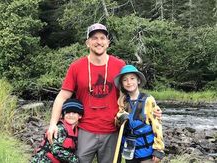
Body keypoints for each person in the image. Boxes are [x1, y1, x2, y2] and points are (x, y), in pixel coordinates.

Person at [47, 23, 162, 163]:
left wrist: (151, 108)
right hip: (84, 130)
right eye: (94, 38)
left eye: (102, 38)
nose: (99, 42)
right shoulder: (76, 67)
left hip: (113, 131)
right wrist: (53, 124)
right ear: (87, 43)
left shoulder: (119, 65)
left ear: (108, 42)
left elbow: (131, 92)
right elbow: (62, 96)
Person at [114, 65, 165, 163]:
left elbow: (157, 124)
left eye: (132, 78)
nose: (129, 82)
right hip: (130, 150)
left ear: (138, 81)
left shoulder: (148, 100)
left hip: (146, 151)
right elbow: (117, 122)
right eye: (125, 80)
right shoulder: (122, 101)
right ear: (122, 84)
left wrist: (159, 149)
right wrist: (120, 118)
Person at [31, 98, 84, 163]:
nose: (71, 115)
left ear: (80, 116)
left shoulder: (76, 130)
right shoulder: (60, 129)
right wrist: (75, 159)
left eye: (74, 113)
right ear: (63, 115)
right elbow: (56, 151)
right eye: (68, 112)